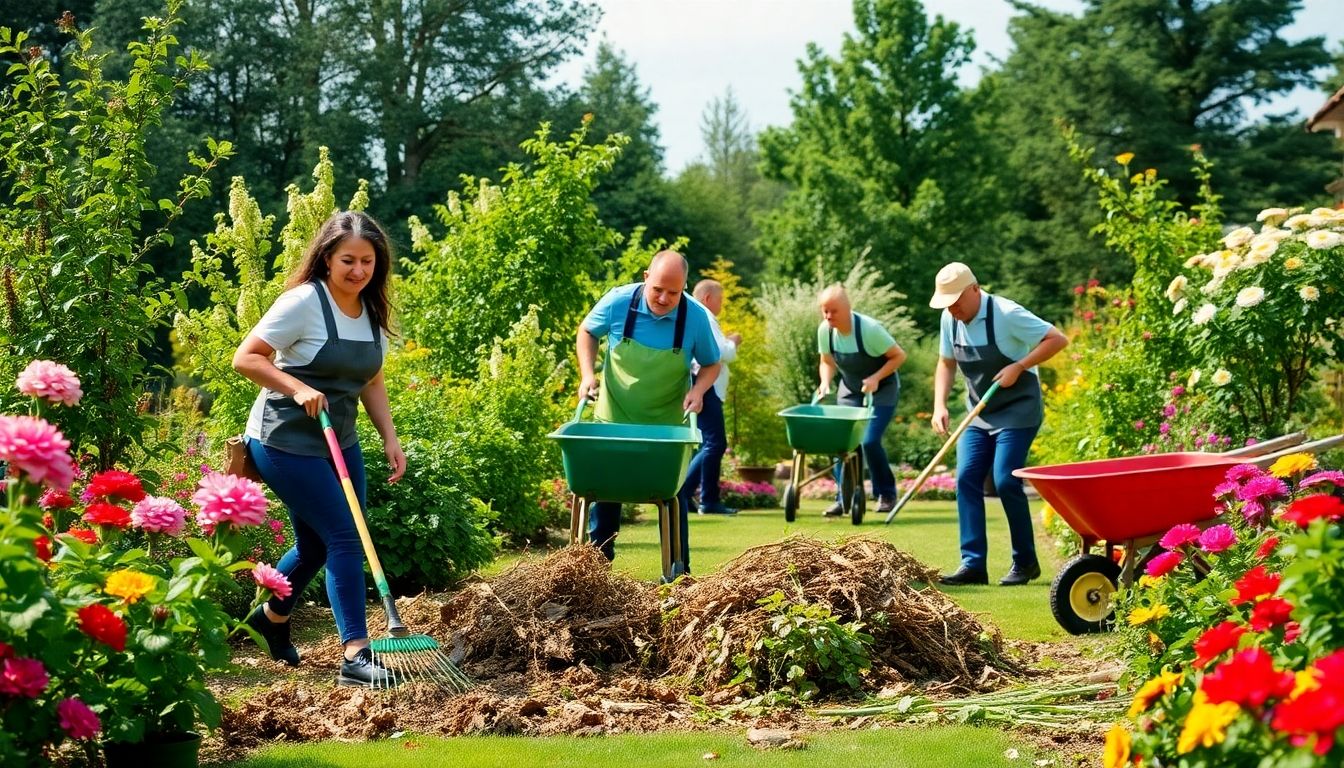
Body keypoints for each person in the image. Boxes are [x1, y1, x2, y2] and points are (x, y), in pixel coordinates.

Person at [232, 211, 407, 687]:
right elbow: (245, 357)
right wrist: (296, 388)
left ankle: (269, 617)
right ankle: (356, 652)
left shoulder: (371, 309)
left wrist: (389, 436)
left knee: (315, 545)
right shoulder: (304, 302)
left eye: (367, 261)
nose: (358, 270)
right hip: (283, 439)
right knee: (347, 537)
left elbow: (371, 378)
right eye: (348, 259)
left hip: (339, 439)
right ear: (327, 258)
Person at [577, 251, 721, 570]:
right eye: (658, 289)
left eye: (674, 292)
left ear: (684, 287)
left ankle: (678, 569)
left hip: (665, 429)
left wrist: (698, 391)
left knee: (671, 496)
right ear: (646, 278)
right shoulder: (618, 302)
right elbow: (587, 332)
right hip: (613, 418)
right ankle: (595, 568)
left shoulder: (694, 317)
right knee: (605, 494)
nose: (664, 298)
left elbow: (712, 363)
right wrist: (588, 374)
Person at [928, 262, 1068, 586]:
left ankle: (1025, 562)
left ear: (974, 289)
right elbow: (946, 363)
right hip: (980, 412)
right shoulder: (949, 318)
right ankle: (973, 565)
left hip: (1019, 409)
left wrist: (1019, 366)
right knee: (966, 478)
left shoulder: (1006, 313)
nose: (952, 308)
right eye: (947, 302)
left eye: (957, 300)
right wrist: (939, 405)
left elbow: (1056, 339)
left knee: (1005, 479)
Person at [816, 284, 906, 516]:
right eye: (824, 311)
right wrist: (825, 382)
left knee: (869, 441)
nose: (828, 316)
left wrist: (876, 378)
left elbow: (899, 356)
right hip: (850, 391)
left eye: (833, 311)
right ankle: (843, 498)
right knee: (843, 445)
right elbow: (827, 361)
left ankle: (886, 493)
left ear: (848, 308)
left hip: (882, 389)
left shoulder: (869, 329)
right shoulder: (825, 331)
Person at [680, 279, 741, 516]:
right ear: (707, 298)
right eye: (721, 300)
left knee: (708, 443)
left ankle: (695, 496)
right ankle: (699, 497)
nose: (722, 305)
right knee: (714, 443)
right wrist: (733, 342)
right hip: (706, 386)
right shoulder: (704, 315)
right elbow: (719, 353)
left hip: (704, 385)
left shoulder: (696, 315)